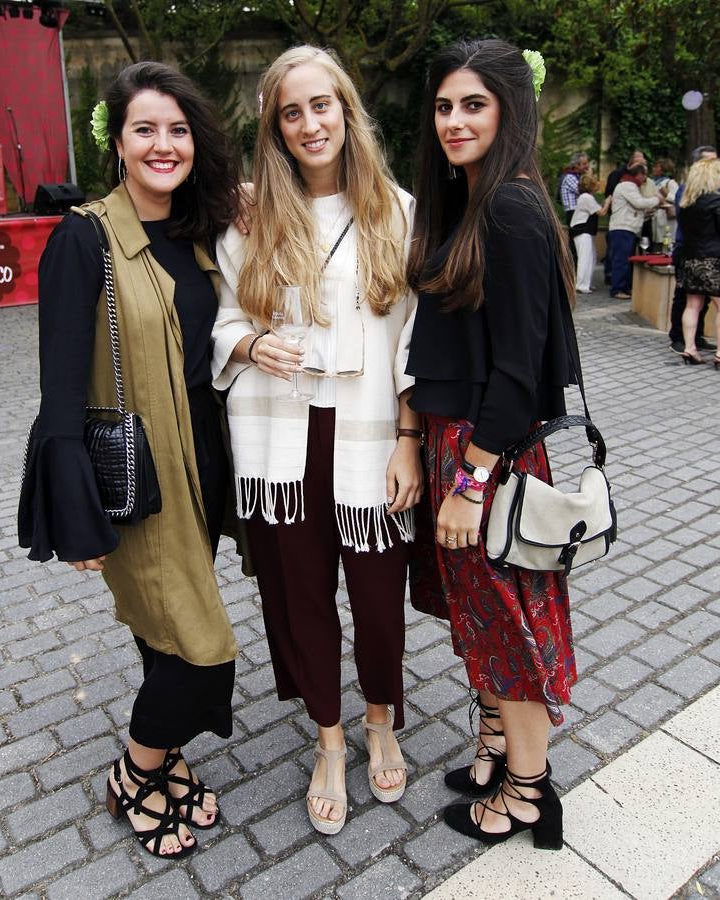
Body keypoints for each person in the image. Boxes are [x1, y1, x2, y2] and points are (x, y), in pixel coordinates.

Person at [18, 62, 241, 858]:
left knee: (163, 637)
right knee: (202, 654)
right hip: (141, 484)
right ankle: (133, 773)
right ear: (117, 142)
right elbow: (59, 389)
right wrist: (74, 512)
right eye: (144, 128)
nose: (163, 144)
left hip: (206, 476)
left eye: (178, 129)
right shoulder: (83, 239)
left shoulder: (194, 232)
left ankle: (167, 758)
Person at [212, 45, 421, 835]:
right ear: (274, 126)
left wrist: (408, 437)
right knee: (299, 599)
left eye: (320, 105)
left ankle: (379, 720)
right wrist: (247, 345)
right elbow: (224, 316)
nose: (308, 124)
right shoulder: (251, 218)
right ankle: (328, 739)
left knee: (375, 601)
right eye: (290, 112)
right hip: (280, 443)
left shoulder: (396, 211)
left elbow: (412, 335)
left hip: (368, 437)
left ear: (346, 110)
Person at [405, 39, 578, 850]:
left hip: (489, 456)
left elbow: (515, 369)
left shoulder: (507, 207)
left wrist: (470, 483)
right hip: (468, 448)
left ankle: (529, 793)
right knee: (486, 621)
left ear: (509, 109)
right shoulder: (475, 202)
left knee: (508, 629)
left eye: (472, 104)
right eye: (443, 105)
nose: (453, 121)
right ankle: (501, 758)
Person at [669, 145, 718, 354]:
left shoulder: (687, 199)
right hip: (711, 258)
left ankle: (691, 346)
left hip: (690, 255)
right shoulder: (714, 200)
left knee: (693, 304)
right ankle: (687, 342)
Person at [607, 163, 662, 298]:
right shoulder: (627, 186)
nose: (645, 179)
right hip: (622, 228)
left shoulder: (629, 185)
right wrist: (657, 199)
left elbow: (635, 208)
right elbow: (639, 203)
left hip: (627, 228)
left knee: (625, 260)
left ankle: (624, 288)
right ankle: (617, 289)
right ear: (639, 174)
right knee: (621, 260)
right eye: (644, 175)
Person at [570, 172, 610, 292]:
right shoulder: (586, 197)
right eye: (596, 181)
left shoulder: (587, 197)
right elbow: (602, 212)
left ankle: (587, 283)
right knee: (585, 257)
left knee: (591, 257)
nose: (598, 183)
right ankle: (581, 285)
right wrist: (608, 202)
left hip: (584, 231)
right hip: (582, 231)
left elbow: (598, 209)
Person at [651, 157, 678, 249]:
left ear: (664, 169)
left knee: (666, 245)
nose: (653, 168)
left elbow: (677, 199)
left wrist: (666, 194)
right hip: (655, 218)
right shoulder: (653, 182)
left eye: (656, 167)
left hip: (667, 219)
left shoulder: (671, 183)